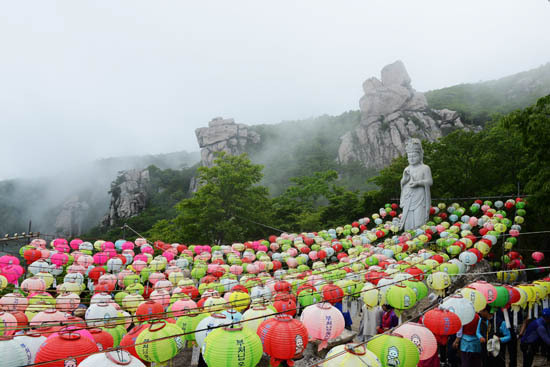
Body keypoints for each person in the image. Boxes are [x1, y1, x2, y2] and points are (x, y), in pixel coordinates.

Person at [399, 138, 432, 231]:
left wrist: (418, 183)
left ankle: (421, 242)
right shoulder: (406, 168)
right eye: (409, 156)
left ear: (420, 156)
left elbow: (429, 181)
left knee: (419, 222)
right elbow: (403, 183)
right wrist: (404, 179)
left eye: (414, 156)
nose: (412, 158)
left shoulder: (425, 168)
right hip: (408, 198)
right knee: (408, 223)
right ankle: (408, 242)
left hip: (420, 198)